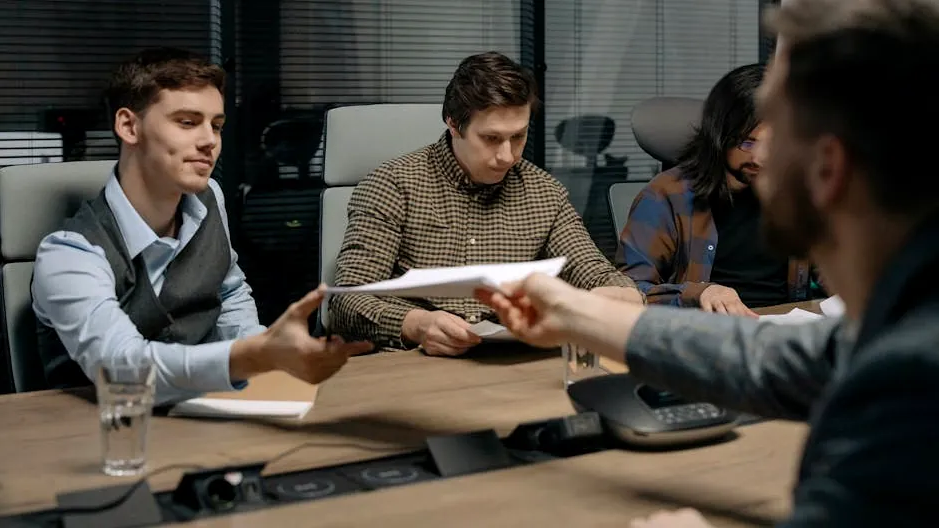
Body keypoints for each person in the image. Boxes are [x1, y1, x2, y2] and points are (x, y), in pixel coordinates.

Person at [477, 0, 939, 525]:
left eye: (777, 138)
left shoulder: (910, 378)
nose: (759, 158)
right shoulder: (898, 323)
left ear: (827, 168)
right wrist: (575, 313)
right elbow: (763, 358)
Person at [31, 48, 371, 405]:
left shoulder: (208, 199)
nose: (210, 140)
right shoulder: (69, 253)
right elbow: (123, 372)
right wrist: (254, 356)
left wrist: (270, 356)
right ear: (129, 127)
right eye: (187, 122)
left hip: (202, 414)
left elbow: (228, 293)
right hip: (104, 429)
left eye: (216, 125)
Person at [330, 51, 642, 357]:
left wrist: (621, 293)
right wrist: (416, 324)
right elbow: (347, 302)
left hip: (513, 361)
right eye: (491, 139)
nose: (508, 156)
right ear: (454, 124)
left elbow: (590, 269)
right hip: (415, 361)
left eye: (518, 137)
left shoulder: (544, 192)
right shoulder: (393, 186)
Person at [618, 63, 824, 316]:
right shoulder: (665, 196)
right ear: (720, 136)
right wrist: (699, 293)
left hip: (784, 326)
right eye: (747, 143)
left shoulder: (797, 191)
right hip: (709, 330)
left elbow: (831, 266)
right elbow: (629, 292)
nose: (760, 158)